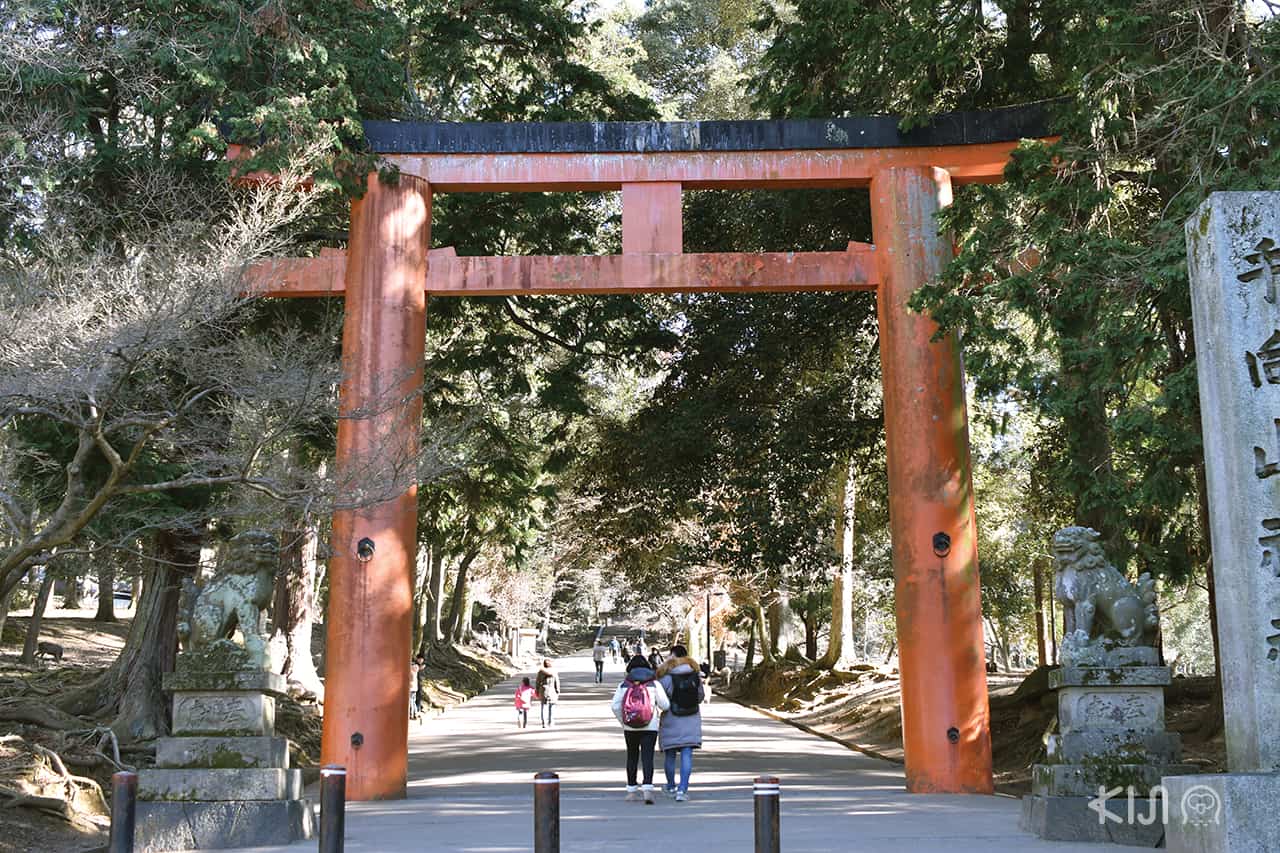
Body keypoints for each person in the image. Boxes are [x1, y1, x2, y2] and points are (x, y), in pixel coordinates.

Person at [610, 654, 670, 804]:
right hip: (650, 726)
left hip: (630, 727)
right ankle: (647, 790)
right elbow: (665, 705)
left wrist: (624, 721)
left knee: (632, 756)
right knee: (647, 757)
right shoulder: (654, 684)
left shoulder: (624, 685)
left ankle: (631, 791)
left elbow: (615, 706)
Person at [657, 644, 704, 801]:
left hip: (671, 718)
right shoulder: (695, 674)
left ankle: (671, 786)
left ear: (673, 656)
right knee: (686, 754)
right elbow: (700, 696)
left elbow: (661, 700)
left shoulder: (666, 677)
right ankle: (682, 790)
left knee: (670, 754)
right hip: (691, 717)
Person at [534, 658, 561, 728]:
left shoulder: (540, 672)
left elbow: (537, 682)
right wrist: (558, 691)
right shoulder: (554, 671)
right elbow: (557, 682)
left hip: (543, 690)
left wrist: (536, 691)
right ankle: (551, 722)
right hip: (552, 690)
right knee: (552, 707)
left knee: (544, 707)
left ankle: (544, 723)